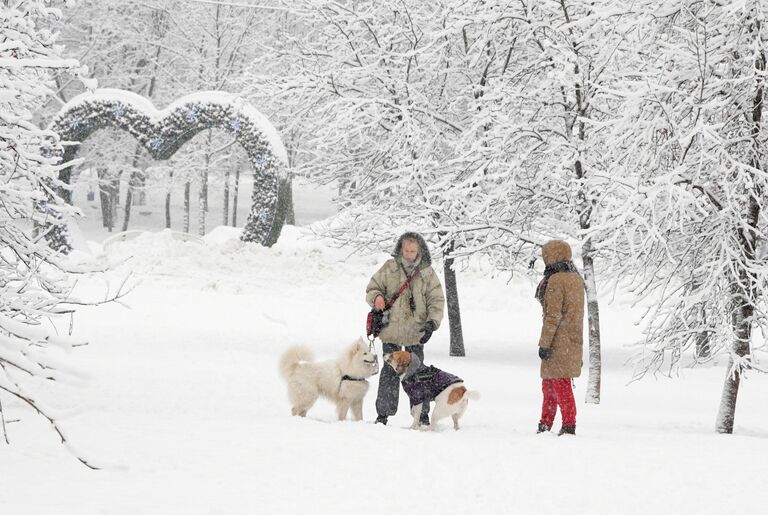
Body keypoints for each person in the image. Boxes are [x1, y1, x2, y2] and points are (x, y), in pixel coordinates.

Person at [366, 232, 445, 426]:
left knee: (418, 375)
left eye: (413, 250)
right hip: (391, 329)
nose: (410, 254)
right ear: (400, 249)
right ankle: (383, 414)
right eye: (406, 250)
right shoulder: (389, 267)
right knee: (389, 372)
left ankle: (422, 414)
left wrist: (432, 323)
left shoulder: (427, 272)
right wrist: (376, 297)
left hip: (416, 331)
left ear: (419, 250)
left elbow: (436, 299)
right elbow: (372, 287)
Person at [535, 239, 585, 436]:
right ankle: (550, 425)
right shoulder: (576, 279)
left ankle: (564, 425)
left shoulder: (556, 280)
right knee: (555, 384)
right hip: (572, 340)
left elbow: (552, 315)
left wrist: (544, 343)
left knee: (555, 387)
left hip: (557, 342)